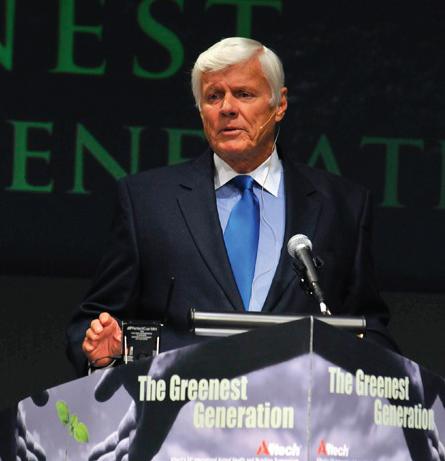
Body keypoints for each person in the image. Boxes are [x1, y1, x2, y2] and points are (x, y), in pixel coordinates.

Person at [67, 37, 397, 376]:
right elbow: (92, 325)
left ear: (279, 104)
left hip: (296, 403)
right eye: (213, 96)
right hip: (179, 402)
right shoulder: (147, 202)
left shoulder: (342, 205)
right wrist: (103, 353)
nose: (227, 108)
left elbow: (368, 328)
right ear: (201, 110)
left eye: (244, 94)